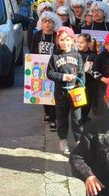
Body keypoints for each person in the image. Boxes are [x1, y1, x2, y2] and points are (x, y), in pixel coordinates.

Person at [46, 27, 85, 155]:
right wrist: (63, 77)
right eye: (62, 40)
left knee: (77, 118)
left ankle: (79, 141)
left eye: (67, 39)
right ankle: (63, 139)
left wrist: (80, 86)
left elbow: (81, 72)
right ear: (58, 40)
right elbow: (49, 73)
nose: (65, 42)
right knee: (61, 117)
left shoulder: (77, 55)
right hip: (61, 92)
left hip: (75, 92)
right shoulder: (55, 56)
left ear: (72, 40)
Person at [31, 11, 62, 130]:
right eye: (45, 21)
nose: (48, 24)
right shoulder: (37, 35)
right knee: (42, 91)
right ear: (41, 23)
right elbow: (33, 50)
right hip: (39, 67)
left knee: (52, 92)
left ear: (55, 24)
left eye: (50, 22)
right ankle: (47, 113)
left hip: (53, 67)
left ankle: (54, 118)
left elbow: (59, 51)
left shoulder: (57, 36)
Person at [77, 33, 97, 123]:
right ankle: (78, 117)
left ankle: (84, 116)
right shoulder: (75, 54)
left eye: (82, 42)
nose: (79, 44)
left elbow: (96, 70)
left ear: (88, 44)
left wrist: (90, 69)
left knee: (88, 101)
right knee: (78, 101)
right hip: (77, 82)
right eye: (78, 42)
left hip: (89, 82)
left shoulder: (93, 56)